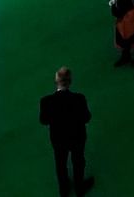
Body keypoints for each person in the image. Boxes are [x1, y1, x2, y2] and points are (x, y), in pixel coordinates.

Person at [39, 67, 92, 197]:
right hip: (77, 136)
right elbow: (87, 118)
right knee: (78, 160)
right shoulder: (79, 98)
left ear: (56, 80)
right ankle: (79, 188)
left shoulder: (46, 101)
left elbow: (43, 120)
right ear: (70, 82)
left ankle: (64, 189)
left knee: (60, 162)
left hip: (58, 138)